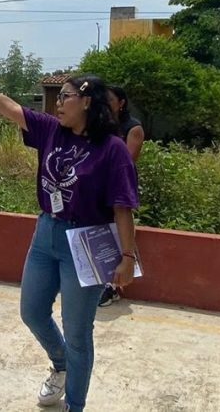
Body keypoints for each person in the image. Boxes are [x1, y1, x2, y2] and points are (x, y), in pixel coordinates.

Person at [0, 58, 138, 412]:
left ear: (87, 102)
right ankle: (61, 364)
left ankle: (74, 405)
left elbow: (123, 207)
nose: (58, 103)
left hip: (87, 240)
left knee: (79, 333)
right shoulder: (52, 130)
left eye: (65, 97)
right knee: (32, 312)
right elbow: (10, 108)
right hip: (46, 232)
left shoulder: (112, 150)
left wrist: (128, 257)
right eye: (58, 97)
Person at [98, 85, 144, 307]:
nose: (105, 103)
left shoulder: (133, 128)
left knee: (119, 229)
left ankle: (114, 286)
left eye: (109, 100)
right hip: (99, 186)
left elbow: (126, 159)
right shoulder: (101, 126)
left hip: (119, 185)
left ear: (121, 102)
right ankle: (103, 281)